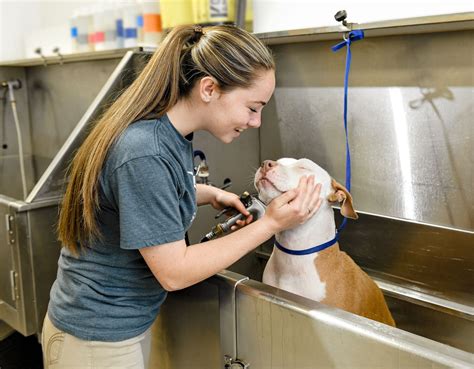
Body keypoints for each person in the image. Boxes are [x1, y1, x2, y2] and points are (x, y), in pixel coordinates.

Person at [41, 24, 322, 369]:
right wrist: (271, 224)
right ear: (209, 88)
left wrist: (205, 193)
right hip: (93, 340)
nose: (256, 122)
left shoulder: (167, 135)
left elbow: (141, 196)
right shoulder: (146, 152)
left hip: (110, 330)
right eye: (252, 107)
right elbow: (174, 273)